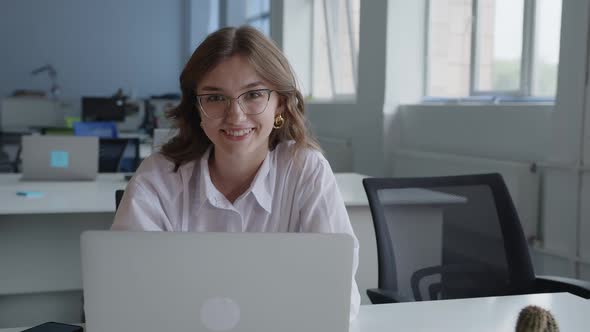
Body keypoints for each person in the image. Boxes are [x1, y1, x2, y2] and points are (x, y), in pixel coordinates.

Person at [112, 26, 360, 320]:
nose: (236, 115)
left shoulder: (306, 169)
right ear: (197, 107)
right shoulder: (159, 176)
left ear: (280, 102)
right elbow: (127, 295)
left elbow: (338, 296)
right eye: (216, 98)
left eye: (253, 94)